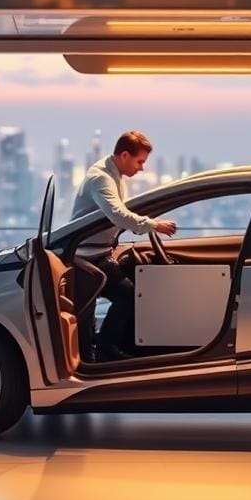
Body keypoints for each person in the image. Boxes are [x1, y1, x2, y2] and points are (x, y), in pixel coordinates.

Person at [72, 131, 177, 360]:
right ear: (125, 155)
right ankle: (105, 349)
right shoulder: (102, 178)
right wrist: (154, 225)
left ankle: (107, 346)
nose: (141, 168)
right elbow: (118, 214)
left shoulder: (113, 173)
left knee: (126, 295)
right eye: (139, 161)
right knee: (127, 295)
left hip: (100, 253)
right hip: (88, 258)